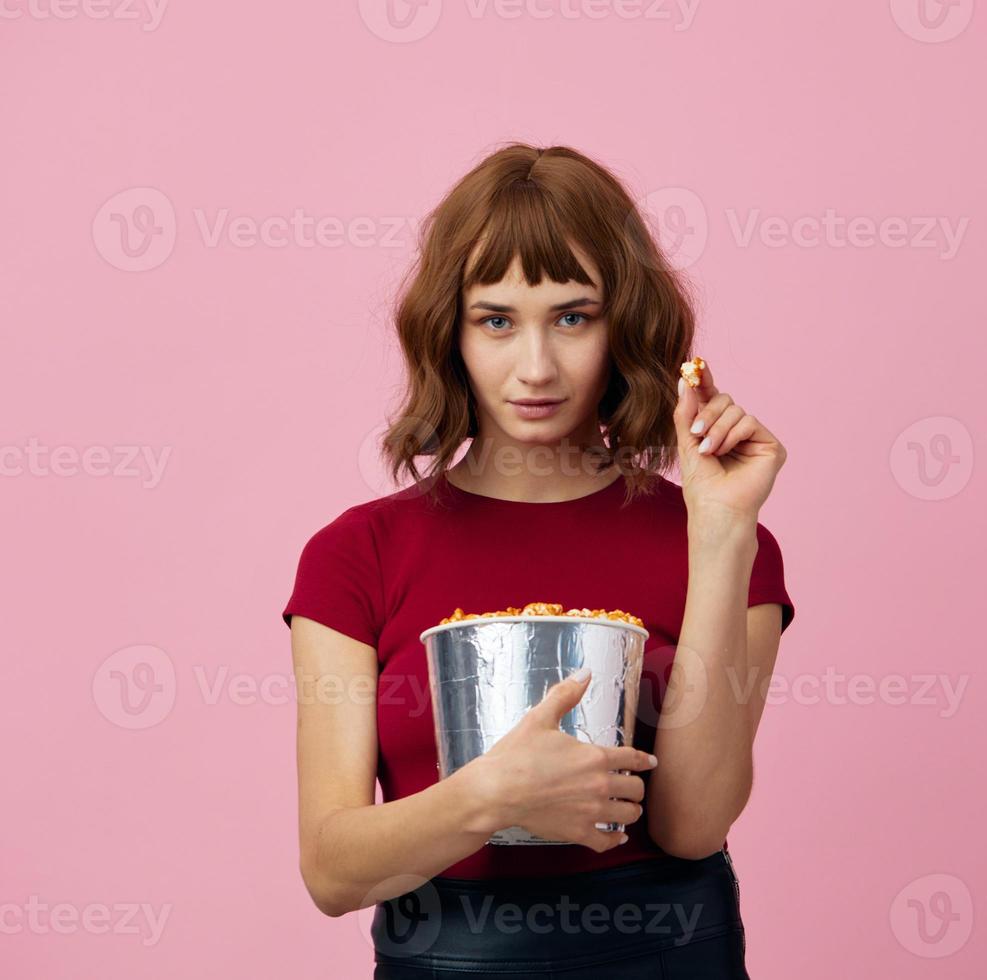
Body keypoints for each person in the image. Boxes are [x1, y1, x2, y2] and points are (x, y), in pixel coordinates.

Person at [281, 143, 795, 978]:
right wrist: (495, 794)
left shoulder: (724, 541)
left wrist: (724, 530)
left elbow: (694, 825)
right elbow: (333, 871)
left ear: (622, 322)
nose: (536, 367)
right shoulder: (354, 556)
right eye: (496, 320)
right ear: (449, 332)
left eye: (573, 316)